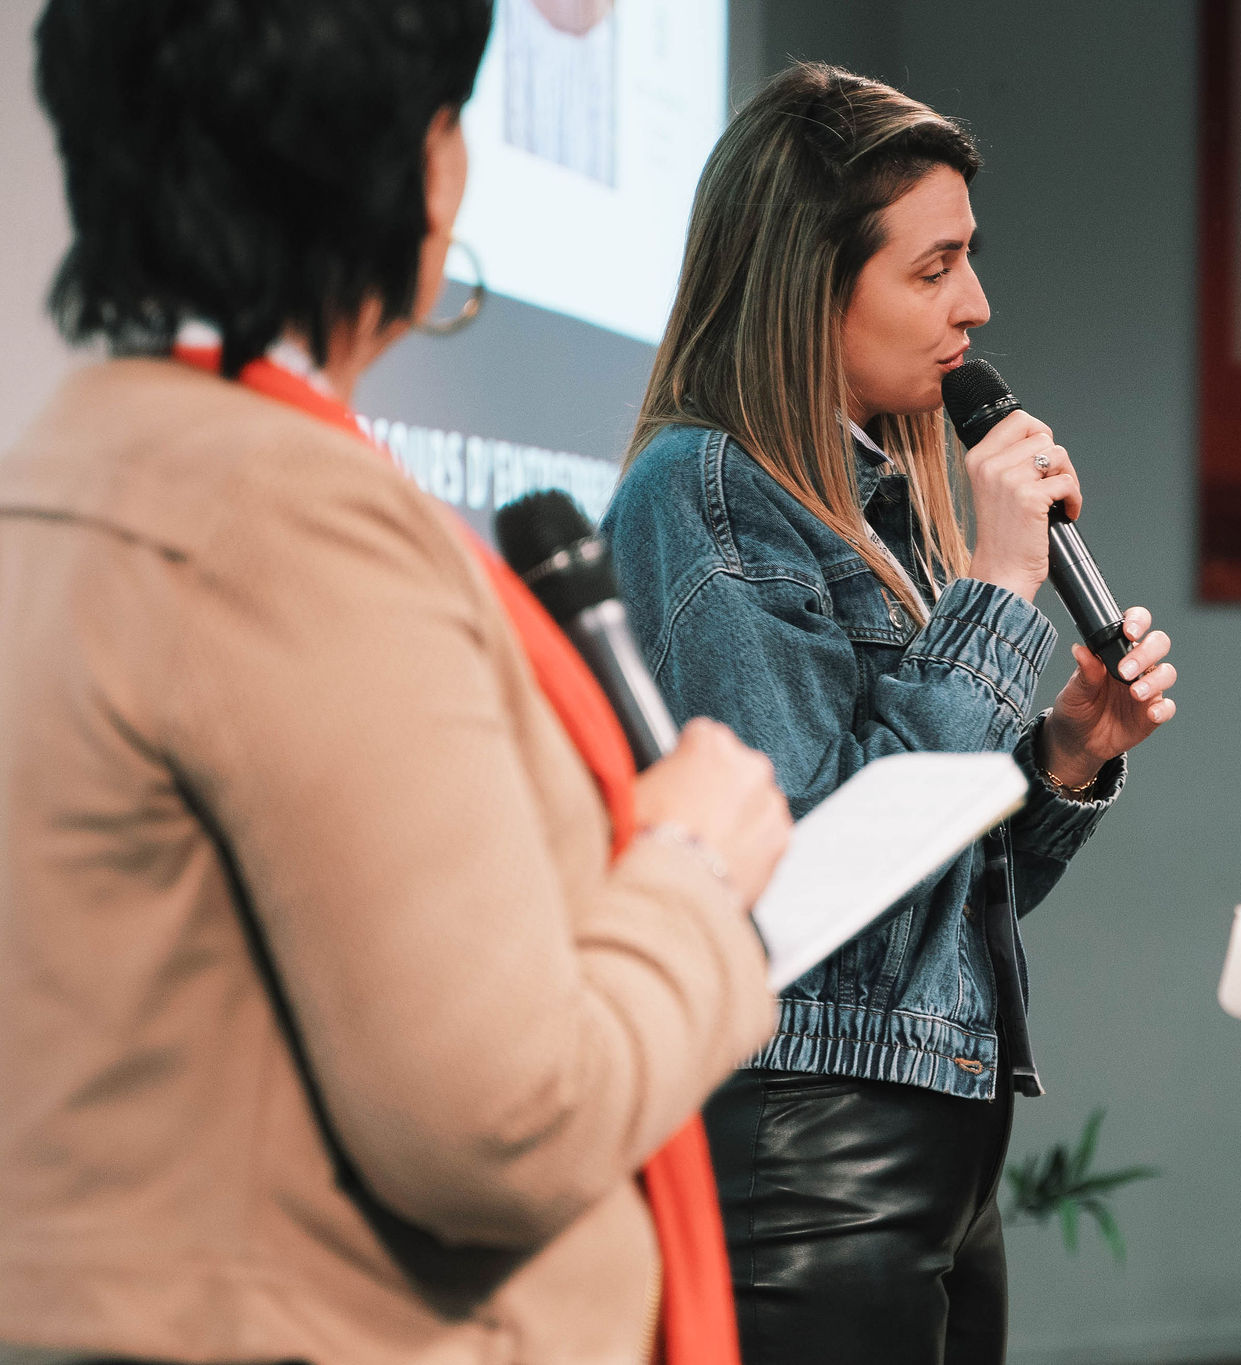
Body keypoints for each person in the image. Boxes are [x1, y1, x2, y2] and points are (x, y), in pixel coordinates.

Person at [0, 4, 785, 1362]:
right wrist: (696, 871)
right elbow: (507, 1123)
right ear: (423, 167)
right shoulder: (286, 522)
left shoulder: (73, 472)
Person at [601, 63, 1181, 1365]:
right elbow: (812, 879)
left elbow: (922, 901)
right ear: (808, 283)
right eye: (933, 269)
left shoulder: (872, 500)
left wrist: (1066, 756)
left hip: (935, 1147)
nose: (976, 303)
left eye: (967, 257)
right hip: (807, 1150)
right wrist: (999, 587)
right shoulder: (704, 491)